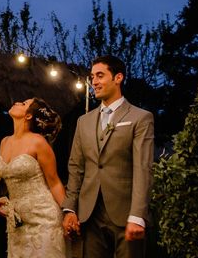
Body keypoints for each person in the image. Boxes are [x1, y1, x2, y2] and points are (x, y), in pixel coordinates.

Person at [62, 55, 154, 258]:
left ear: (118, 77)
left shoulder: (140, 118)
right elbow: (76, 167)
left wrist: (138, 215)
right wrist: (70, 208)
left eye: (100, 75)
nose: (94, 81)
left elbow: (143, 168)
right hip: (89, 215)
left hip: (126, 213)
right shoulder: (83, 121)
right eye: (92, 76)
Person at [0, 97, 67, 257]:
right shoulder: (4, 142)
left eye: (24, 104)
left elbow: (54, 183)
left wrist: (68, 213)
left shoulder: (38, 142)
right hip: (16, 222)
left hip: (43, 220)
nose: (17, 102)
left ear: (28, 116)